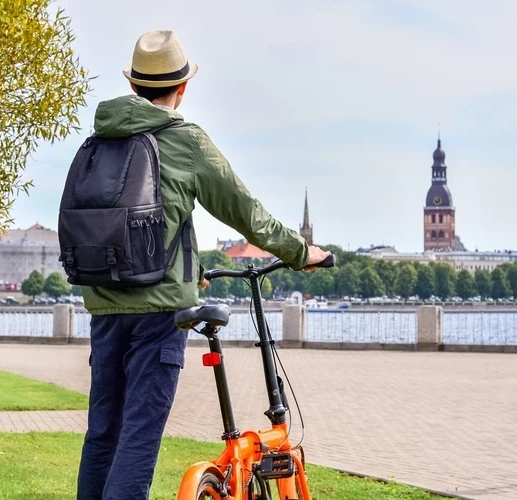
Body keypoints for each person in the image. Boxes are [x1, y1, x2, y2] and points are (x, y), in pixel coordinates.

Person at [76, 30, 331, 500]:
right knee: (138, 438)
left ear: (133, 86)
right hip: (159, 314)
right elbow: (244, 210)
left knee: (102, 435)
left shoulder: (101, 139)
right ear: (183, 88)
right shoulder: (184, 139)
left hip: (105, 308)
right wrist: (301, 252)